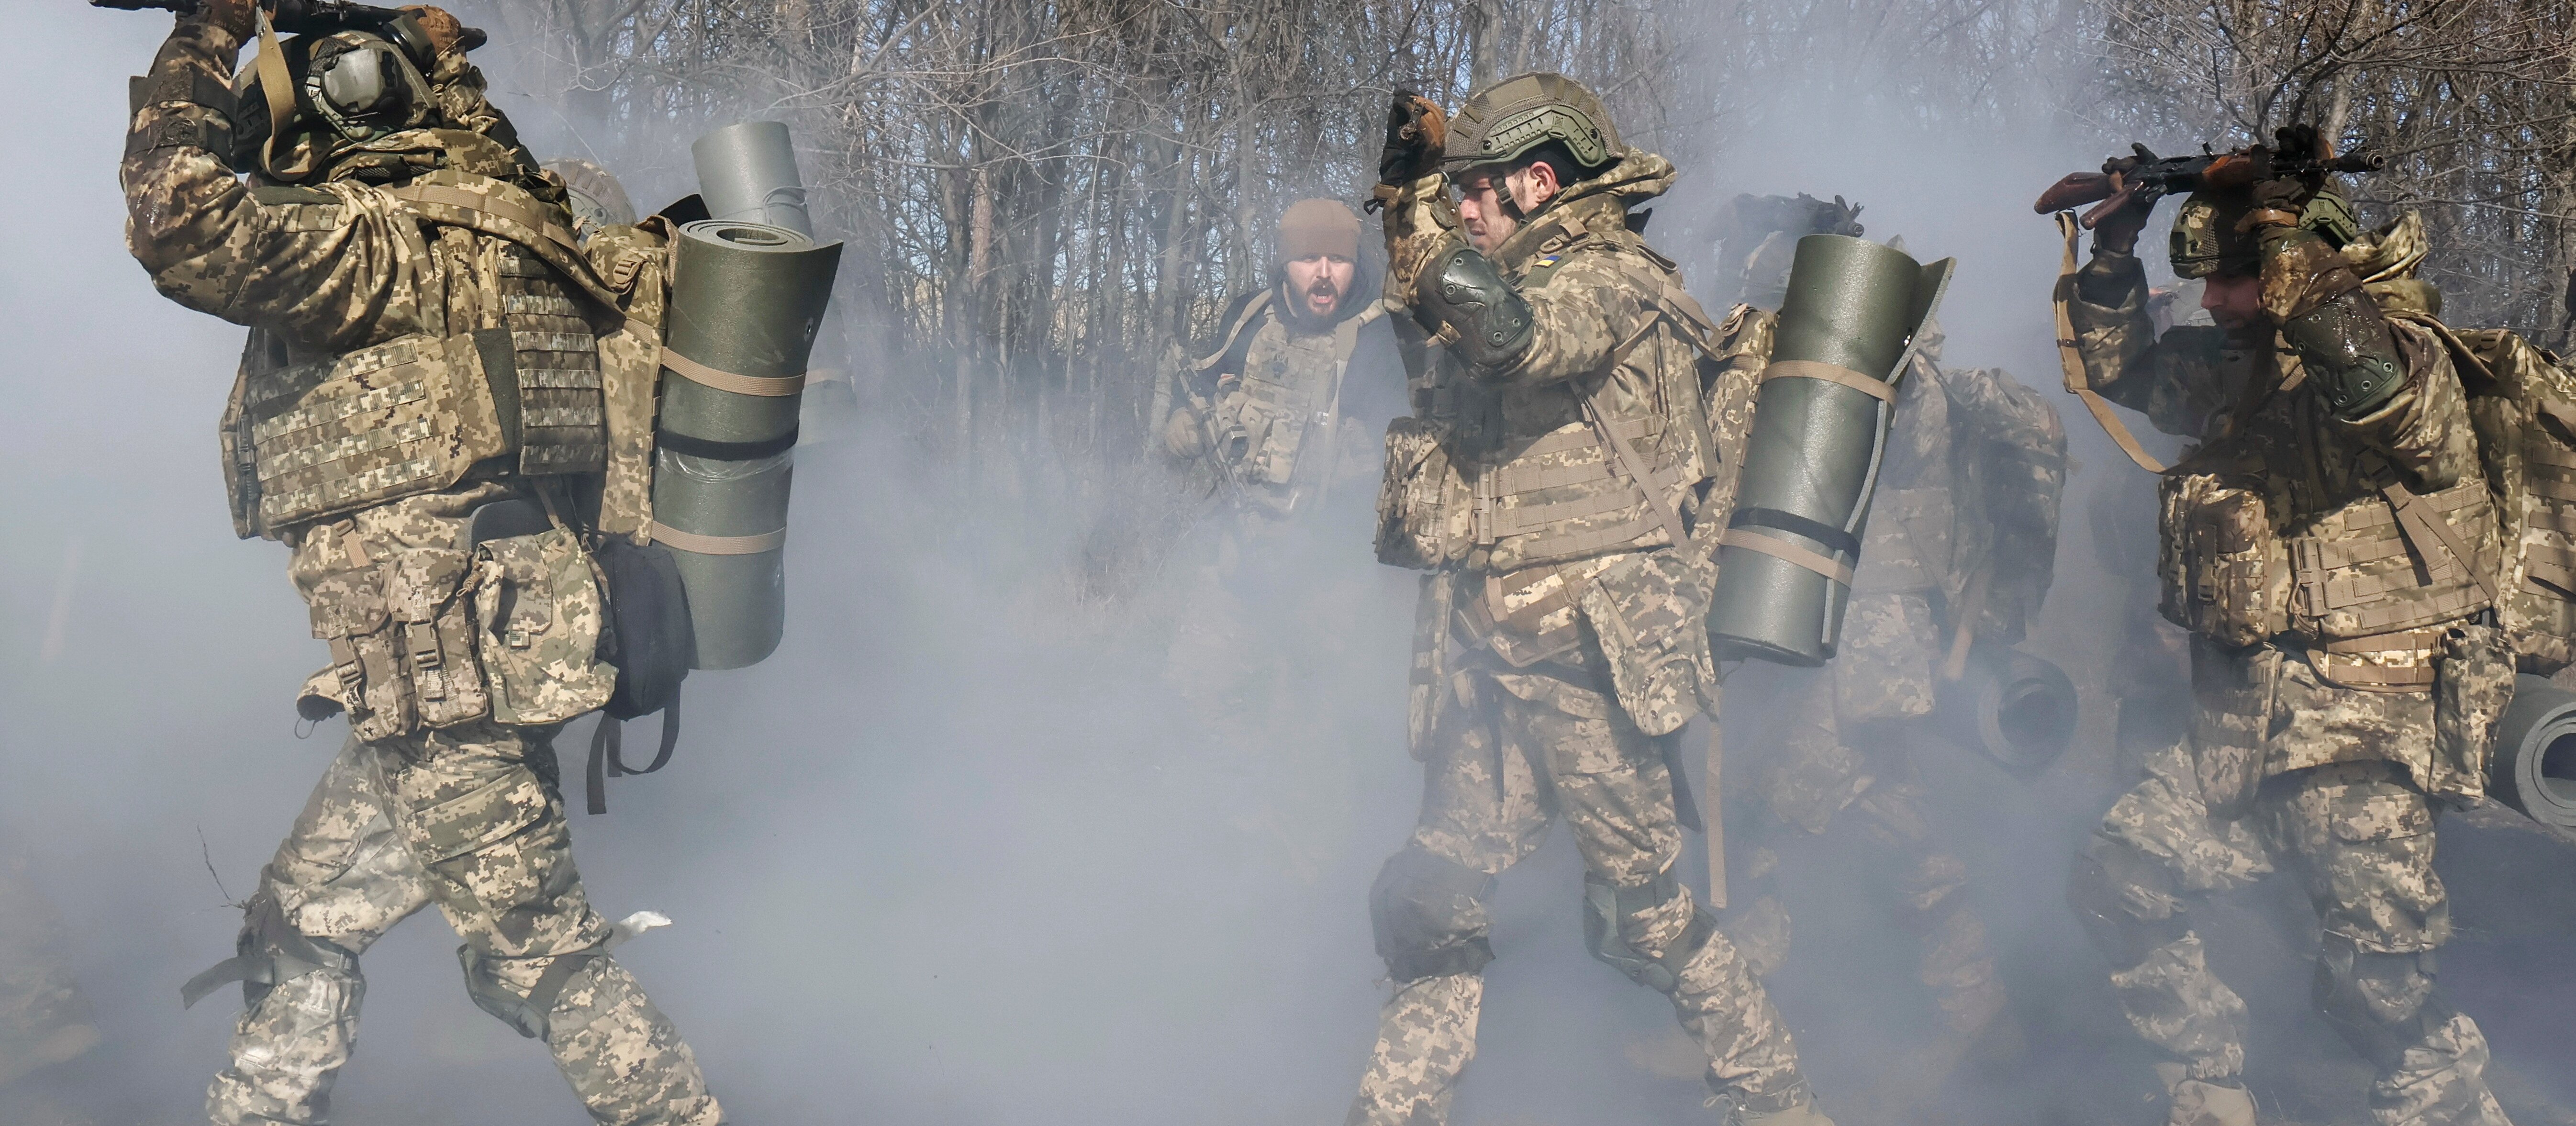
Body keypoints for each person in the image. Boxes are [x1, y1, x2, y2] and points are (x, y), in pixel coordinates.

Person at [122, 2, 723, 1122]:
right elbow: (489, 153)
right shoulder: (518, 227)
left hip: (443, 677)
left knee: (544, 958)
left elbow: (178, 221)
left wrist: (207, 33)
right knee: (301, 921)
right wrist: (446, 67)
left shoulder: (367, 250)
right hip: (509, 648)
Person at [1356, 72, 1830, 1126]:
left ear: (1537, 182)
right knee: (1432, 902)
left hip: (1587, 662)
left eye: (1473, 191)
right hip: (1489, 656)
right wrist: (1410, 206)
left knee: (1641, 921)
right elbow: (1434, 325)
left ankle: (1776, 1100)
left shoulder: (1612, 278)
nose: (1463, 211)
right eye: (1454, 194)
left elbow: (1512, 333)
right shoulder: (1509, 272)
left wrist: (1428, 232)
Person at [2060, 128, 2515, 1126]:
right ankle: (2212, 1087)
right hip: (2247, 720)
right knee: (2119, 876)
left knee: (2375, 991)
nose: (2216, 302)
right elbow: (2127, 373)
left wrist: (2278, 226)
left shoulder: (2405, 357)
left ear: (2302, 261)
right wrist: (2112, 255)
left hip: (2369, 726)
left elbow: (2373, 388)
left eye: (2235, 278)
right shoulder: (2247, 369)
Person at [1712, 199, 2066, 1112]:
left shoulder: (1904, 386)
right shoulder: (1827, 372)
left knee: (1816, 814)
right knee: (1809, 811)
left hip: (1864, 650)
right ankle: (1961, 1011)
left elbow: (1882, 456)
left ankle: (1752, 1016)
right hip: (1813, 635)